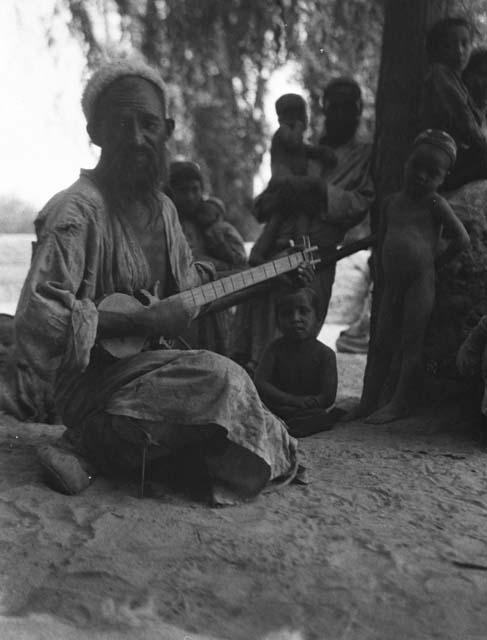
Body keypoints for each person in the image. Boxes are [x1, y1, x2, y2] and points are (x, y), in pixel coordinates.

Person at [4, 58, 302, 505]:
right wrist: (135, 321)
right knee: (221, 381)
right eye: (121, 125)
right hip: (91, 387)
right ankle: (83, 444)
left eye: (148, 125)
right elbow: (37, 317)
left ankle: (133, 455)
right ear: (94, 133)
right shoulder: (75, 212)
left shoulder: (162, 210)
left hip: (150, 372)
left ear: (167, 129)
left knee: (245, 408)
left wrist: (272, 274)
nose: (137, 138)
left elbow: (192, 293)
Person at [232, 78, 374, 372]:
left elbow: (361, 203)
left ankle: (275, 384)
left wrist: (320, 192)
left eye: (349, 107)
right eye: (334, 108)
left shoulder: (364, 155)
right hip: (276, 242)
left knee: (294, 326)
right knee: (253, 310)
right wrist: (278, 198)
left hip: (316, 254)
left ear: (359, 110)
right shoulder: (304, 148)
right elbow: (267, 199)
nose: (340, 115)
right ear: (324, 110)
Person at [360, 130, 470, 424]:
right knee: (382, 340)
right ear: (406, 163)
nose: (421, 176)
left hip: (420, 283)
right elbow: (383, 240)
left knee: (412, 343)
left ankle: (400, 403)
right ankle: (368, 400)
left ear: (443, 178)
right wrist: (380, 274)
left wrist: (432, 263)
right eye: (417, 166)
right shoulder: (391, 202)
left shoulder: (435, 204)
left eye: (432, 172)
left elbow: (462, 239)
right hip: (391, 284)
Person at [168, 161, 246, 354]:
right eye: (183, 190)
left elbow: (238, 260)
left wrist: (213, 239)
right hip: (179, 305)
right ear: (172, 192)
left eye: (195, 190)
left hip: (213, 303)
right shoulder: (167, 222)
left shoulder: (210, 220)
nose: (190, 197)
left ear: (202, 190)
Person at [249, 93, 336, 265]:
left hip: (294, 185)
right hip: (284, 183)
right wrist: (297, 127)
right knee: (277, 219)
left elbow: (305, 150)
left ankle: (301, 251)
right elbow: (295, 143)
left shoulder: (292, 136)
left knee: (300, 216)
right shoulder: (284, 132)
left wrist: (321, 153)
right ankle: (258, 252)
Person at [254, 287, 339, 438]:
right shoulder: (274, 349)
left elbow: (328, 395)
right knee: (258, 410)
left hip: (307, 409)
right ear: (278, 322)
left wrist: (310, 402)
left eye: (303, 312)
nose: (295, 318)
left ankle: (290, 427)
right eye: (287, 314)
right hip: (280, 406)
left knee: (321, 417)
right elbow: (261, 382)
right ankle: (283, 425)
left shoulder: (326, 354)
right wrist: (291, 400)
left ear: (318, 318)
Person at [421, 17, 487, 189]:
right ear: (437, 49)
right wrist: (482, 144)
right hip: (440, 156)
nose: (459, 51)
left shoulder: (457, 82)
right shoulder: (440, 74)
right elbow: (463, 119)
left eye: (465, 44)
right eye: (449, 45)